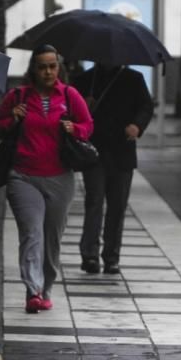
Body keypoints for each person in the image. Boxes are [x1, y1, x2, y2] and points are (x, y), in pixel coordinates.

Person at [0, 44, 94, 313]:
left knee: (52, 237)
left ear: (58, 67)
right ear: (33, 69)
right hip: (23, 176)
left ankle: (47, 287)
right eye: (42, 66)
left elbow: (87, 126)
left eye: (52, 66)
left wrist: (75, 129)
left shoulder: (70, 96)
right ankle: (32, 290)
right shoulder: (18, 96)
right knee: (31, 233)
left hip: (60, 177)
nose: (48, 71)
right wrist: (12, 118)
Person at [71, 63, 154, 274]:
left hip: (122, 151)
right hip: (94, 151)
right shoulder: (85, 80)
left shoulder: (134, 79)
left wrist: (137, 125)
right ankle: (89, 255)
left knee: (117, 207)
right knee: (94, 202)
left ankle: (111, 256)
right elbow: (68, 111)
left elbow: (146, 106)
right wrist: (83, 108)